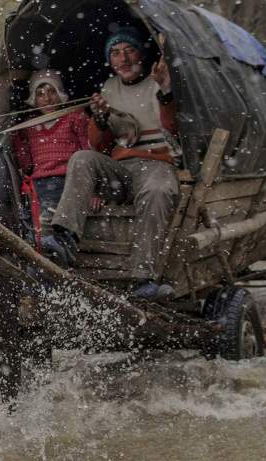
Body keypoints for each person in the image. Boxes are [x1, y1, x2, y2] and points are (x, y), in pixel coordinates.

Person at [51, 26, 180, 298]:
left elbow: (172, 128)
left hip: (156, 164)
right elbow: (99, 144)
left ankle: (142, 278)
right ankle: (65, 238)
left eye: (129, 50)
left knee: (158, 191)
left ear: (141, 55)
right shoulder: (109, 87)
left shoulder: (156, 83)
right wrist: (99, 118)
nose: (123, 59)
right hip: (121, 170)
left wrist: (166, 90)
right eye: (115, 53)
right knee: (82, 158)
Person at [11, 69, 92, 267]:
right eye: (40, 94)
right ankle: (49, 266)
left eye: (52, 91)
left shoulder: (75, 117)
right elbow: (27, 164)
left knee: (50, 229)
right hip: (40, 184)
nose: (47, 99)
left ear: (61, 93)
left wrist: (95, 191)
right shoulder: (29, 127)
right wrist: (16, 137)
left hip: (71, 180)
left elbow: (88, 151)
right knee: (38, 232)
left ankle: (54, 263)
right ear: (34, 99)